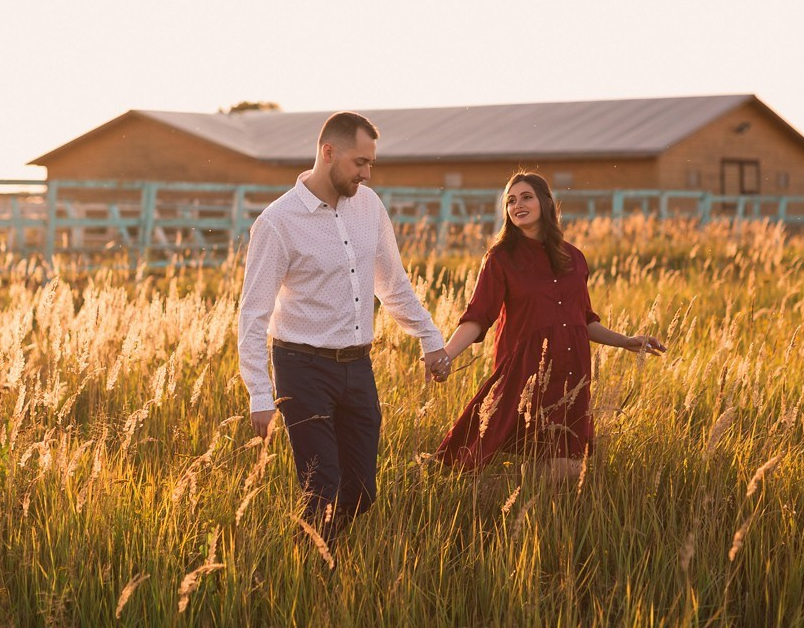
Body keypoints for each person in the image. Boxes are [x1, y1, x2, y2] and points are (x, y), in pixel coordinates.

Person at [237, 111, 452, 544]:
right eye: (360, 163)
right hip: (301, 367)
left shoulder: (369, 206)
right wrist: (260, 393)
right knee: (323, 490)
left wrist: (430, 339)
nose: (367, 173)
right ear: (328, 152)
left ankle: (315, 550)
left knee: (363, 490)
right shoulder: (277, 223)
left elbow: (392, 284)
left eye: (371, 163)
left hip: (357, 366)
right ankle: (313, 576)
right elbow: (253, 314)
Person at [433, 172, 666, 478]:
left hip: (572, 374)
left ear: (545, 202)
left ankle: (536, 513)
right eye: (511, 201)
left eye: (526, 197)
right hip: (525, 374)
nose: (518, 205)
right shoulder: (501, 259)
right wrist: (446, 354)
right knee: (483, 455)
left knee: (568, 469)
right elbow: (477, 317)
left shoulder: (574, 258)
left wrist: (625, 341)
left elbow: (583, 320)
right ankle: (492, 504)